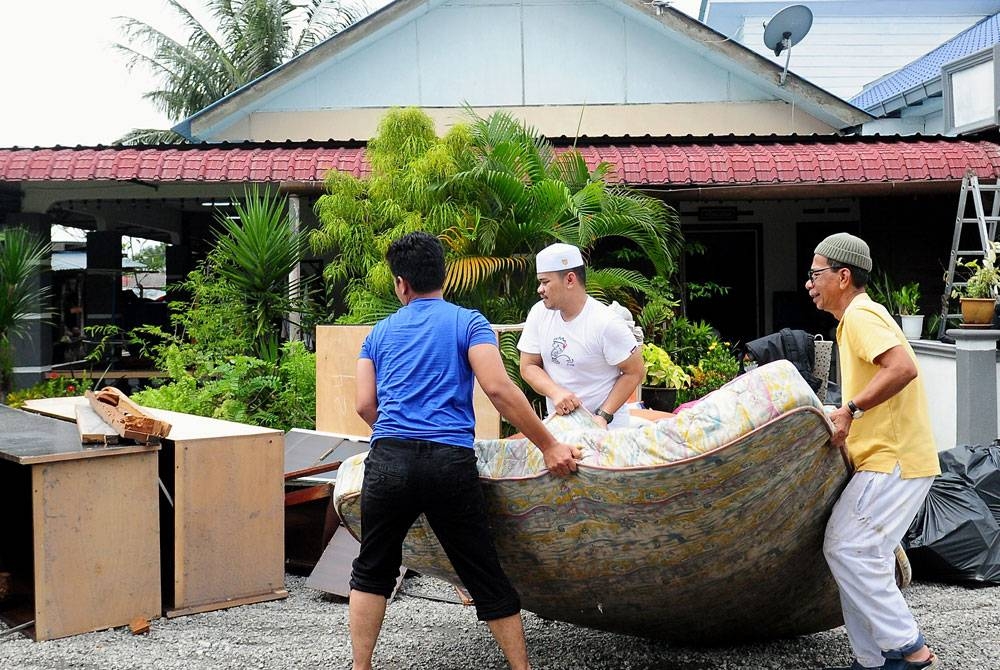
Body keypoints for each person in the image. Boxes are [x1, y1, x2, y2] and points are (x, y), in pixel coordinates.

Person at [349, 231, 580, 670]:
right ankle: (520, 668)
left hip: (388, 461)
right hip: (448, 463)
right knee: (481, 569)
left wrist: (397, 437)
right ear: (444, 278)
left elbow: (364, 405)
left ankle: (362, 667)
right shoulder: (469, 323)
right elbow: (497, 388)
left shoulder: (377, 334)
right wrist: (550, 445)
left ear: (401, 284)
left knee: (373, 568)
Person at [806, 233, 941, 670]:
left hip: (894, 459)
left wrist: (850, 410)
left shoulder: (862, 315)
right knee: (862, 553)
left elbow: (903, 367)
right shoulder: (853, 321)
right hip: (891, 458)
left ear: (843, 277)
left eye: (815, 274)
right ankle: (875, 660)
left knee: (847, 547)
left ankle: (910, 650)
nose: (809, 283)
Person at [518, 243, 644, 429]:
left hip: (608, 430)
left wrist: (603, 415)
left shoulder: (606, 322)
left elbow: (635, 371)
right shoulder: (538, 313)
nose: (540, 289)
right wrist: (555, 392)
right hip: (559, 428)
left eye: (545, 282)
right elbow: (528, 366)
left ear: (570, 280)